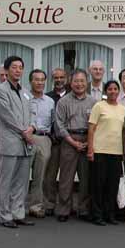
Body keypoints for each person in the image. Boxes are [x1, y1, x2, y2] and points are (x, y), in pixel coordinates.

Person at [0, 56, 35, 228]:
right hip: (11, 142)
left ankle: (18, 213)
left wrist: (31, 127)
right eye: (14, 67)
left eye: (20, 67)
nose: (18, 70)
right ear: (7, 70)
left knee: (22, 181)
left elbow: (32, 111)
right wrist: (23, 131)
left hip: (26, 142)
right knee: (6, 181)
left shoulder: (26, 92)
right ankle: (5, 215)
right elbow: (6, 115)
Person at [54, 69, 97, 222]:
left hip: (88, 140)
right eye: (76, 81)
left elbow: (97, 125)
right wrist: (73, 142)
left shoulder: (94, 102)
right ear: (70, 83)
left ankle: (83, 209)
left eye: (82, 81)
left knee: (86, 178)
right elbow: (59, 125)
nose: (79, 84)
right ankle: (64, 209)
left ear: (87, 83)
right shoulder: (63, 102)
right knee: (66, 177)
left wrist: (87, 142)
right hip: (69, 140)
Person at [86, 80, 125, 226]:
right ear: (105, 91)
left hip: (116, 152)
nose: (113, 91)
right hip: (99, 150)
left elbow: (122, 132)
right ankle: (97, 215)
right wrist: (90, 150)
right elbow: (91, 129)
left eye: (116, 89)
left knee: (112, 185)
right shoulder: (98, 106)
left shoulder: (122, 109)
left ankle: (110, 215)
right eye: (110, 89)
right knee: (98, 185)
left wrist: (123, 152)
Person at [27, 69, 55, 219]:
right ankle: (17, 205)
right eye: (36, 79)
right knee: (23, 175)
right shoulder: (24, 98)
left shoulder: (50, 101)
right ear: (30, 81)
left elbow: (52, 122)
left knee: (40, 175)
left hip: (44, 139)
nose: (39, 82)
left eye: (42, 80)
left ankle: (35, 206)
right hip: (27, 138)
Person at [43, 68, 67, 216]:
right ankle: (49, 204)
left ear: (66, 78)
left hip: (68, 142)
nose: (59, 80)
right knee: (50, 176)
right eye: (56, 77)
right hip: (53, 142)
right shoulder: (48, 98)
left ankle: (66, 205)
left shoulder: (72, 96)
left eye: (61, 77)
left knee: (66, 176)